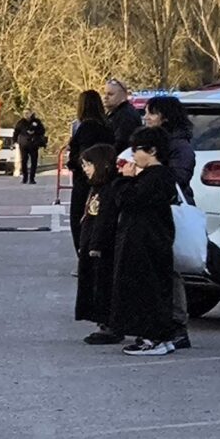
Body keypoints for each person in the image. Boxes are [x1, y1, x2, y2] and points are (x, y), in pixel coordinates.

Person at [106, 128, 185, 356]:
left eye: (136, 150)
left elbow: (129, 200)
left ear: (152, 150)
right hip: (150, 240)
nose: (133, 155)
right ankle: (159, 336)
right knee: (151, 289)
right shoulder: (158, 176)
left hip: (147, 242)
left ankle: (153, 338)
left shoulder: (156, 177)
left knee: (147, 290)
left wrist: (124, 180)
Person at [144, 93, 199, 347]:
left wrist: (150, 170)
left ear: (164, 117)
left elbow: (177, 179)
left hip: (170, 210)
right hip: (152, 210)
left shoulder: (178, 147)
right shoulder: (154, 142)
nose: (146, 118)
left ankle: (177, 325)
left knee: (170, 268)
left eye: (151, 113)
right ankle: (157, 322)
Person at [73, 145, 122, 344]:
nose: (85, 169)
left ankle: (109, 325)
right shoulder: (96, 188)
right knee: (94, 284)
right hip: (91, 244)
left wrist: (96, 245)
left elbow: (105, 220)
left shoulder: (109, 189)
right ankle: (102, 323)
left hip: (102, 248)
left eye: (88, 164)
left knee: (103, 286)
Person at [65, 90, 115, 254]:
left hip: (85, 181)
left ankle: (84, 253)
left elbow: (84, 155)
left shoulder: (86, 127)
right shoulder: (107, 126)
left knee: (80, 218)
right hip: (104, 178)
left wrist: (73, 162)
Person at [14, 110, 48, 184]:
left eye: (27, 113)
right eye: (24, 113)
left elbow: (42, 131)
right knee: (24, 161)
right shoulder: (21, 122)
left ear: (31, 113)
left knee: (34, 162)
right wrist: (15, 141)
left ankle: (32, 178)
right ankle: (25, 178)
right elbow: (16, 132)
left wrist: (34, 132)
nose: (26, 115)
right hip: (24, 145)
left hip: (34, 144)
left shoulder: (36, 121)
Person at [105, 78, 143, 145]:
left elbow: (121, 143)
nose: (105, 97)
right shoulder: (116, 113)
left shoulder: (126, 116)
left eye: (110, 94)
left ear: (122, 95)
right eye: (105, 93)